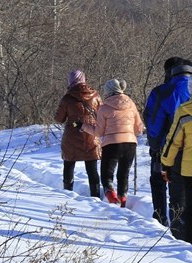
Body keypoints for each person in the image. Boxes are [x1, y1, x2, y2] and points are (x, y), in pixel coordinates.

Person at [160, 70, 192, 245]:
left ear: (191, 89)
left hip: (191, 168)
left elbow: (173, 140)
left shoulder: (184, 110)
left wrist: (166, 164)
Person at [143, 57, 192, 227]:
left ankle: (161, 219)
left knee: (160, 182)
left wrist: (155, 146)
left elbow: (153, 122)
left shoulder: (162, 92)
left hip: (167, 147)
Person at [83, 78, 144, 207]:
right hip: (130, 144)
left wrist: (83, 126)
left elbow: (99, 132)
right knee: (124, 174)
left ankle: (112, 199)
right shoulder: (131, 104)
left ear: (108, 92)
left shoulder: (104, 107)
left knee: (106, 175)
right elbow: (139, 129)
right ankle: (122, 202)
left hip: (112, 144)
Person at [54, 69, 102, 198]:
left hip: (72, 137)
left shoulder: (67, 98)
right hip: (91, 135)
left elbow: (59, 118)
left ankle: (67, 193)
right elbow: (102, 116)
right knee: (92, 168)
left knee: (69, 164)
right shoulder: (95, 95)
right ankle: (96, 195)